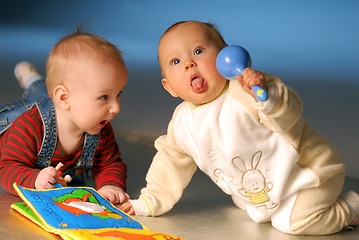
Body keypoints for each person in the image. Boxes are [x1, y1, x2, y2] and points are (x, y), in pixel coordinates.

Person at [120, 20, 359, 235]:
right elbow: (170, 161)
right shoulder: (183, 122)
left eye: (199, 51)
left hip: (309, 173)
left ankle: (350, 208)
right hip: (263, 191)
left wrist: (266, 97)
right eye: (175, 61)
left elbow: (290, 113)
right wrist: (150, 201)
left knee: (292, 224)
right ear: (170, 87)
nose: (189, 64)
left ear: (225, 58)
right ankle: (275, 204)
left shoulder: (244, 90)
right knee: (250, 205)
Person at [0, 29, 129, 205]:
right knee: (40, 100)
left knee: (44, 96)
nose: (116, 108)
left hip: (60, 106)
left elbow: (111, 164)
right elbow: (6, 168)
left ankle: (33, 80)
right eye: (104, 97)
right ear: (64, 98)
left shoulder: (101, 129)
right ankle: (31, 78)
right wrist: (34, 178)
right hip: (12, 121)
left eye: (118, 94)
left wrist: (111, 185)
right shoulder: (29, 126)